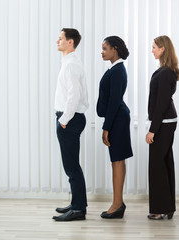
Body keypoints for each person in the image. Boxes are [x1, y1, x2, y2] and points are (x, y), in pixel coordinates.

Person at [53, 28, 89, 221]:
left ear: (71, 42)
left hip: (70, 119)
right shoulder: (68, 63)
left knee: (72, 166)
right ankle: (77, 204)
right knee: (71, 165)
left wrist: (63, 120)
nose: (57, 41)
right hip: (69, 118)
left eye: (61, 38)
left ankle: (78, 210)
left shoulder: (71, 65)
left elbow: (73, 96)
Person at [97, 36, 133, 219]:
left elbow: (114, 101)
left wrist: (106, 127)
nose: (102, 51)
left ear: (115, 49)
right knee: (116, 160)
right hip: (117, 118)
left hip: (117, 119)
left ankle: (117, 204)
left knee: (117, 160)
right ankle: (118, 202)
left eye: (105, 48)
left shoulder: (118, 70)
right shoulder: (114, 68)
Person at [145, 35, 179, 220]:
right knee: (164, 164)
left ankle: (160, 209)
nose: (152, 50)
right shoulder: (164, 71)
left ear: (163, 49)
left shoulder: (166, 73)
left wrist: (153, 129)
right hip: (166, 122)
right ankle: (167, 207)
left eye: (154, 47)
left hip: (164, 124)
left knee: (158, 166)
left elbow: (161, 104)